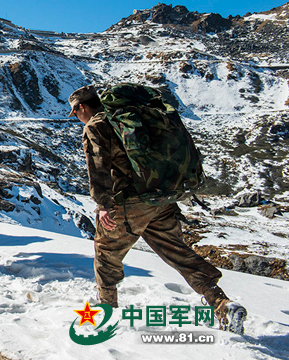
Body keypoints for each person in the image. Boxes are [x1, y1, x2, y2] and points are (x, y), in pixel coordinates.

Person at [69, 84, 247, 334]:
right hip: (160, 197)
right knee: (178, 253)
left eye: (76, 113)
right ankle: (222, 303)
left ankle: (106, 309)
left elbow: (97, 168)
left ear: (82, 107)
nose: (77, 118)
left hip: (129, 203)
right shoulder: (130, 116)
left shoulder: (95, 126)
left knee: (106, 250)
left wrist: (103, 205)